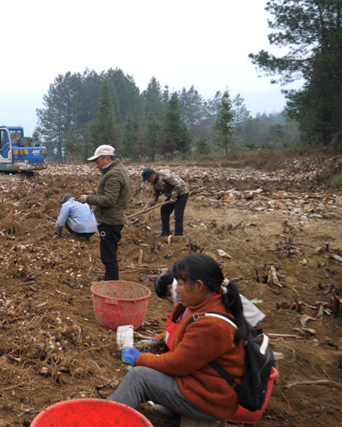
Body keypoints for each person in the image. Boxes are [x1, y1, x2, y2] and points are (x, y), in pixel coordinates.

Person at [109, 254, 247, 422]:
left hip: (210, 399)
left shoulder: (211, 324)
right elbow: (184, 345)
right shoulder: (205, 304)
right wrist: (158, 341)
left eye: (180, 284)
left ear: (199, 286)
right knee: (154, 365)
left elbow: (177, 365)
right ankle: (174, 411)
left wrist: (140, 358)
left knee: (139, 377)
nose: (176, 290)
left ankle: (104, 420)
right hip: (202, 385)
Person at [154, 270, 265, 348]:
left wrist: (159, 338)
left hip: (248, 334)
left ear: (170, 288)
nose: (170, 301)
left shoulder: (183, 292)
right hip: (251, 327)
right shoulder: (194, 285)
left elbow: (182, 328)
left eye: (166, 298)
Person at [80, 145, 130, 281]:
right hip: (110, 219)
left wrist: (87, 199)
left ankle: (111, 285)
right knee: (108, 256)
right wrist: (96, 193)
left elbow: (109, 200)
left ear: (107, 158)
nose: (97, 166)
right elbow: (111, 194)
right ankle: (108, 281)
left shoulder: (114, 174)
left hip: (110, 221)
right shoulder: (115, 171)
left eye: (98, 162)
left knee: (109, 258)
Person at [142, 168, 190, 237]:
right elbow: (155, 195)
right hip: (172, 195)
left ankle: (179, 235)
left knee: (178, 214)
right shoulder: (154, 182)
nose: (148, 181)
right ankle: (166, 232)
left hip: (182, 192)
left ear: (152, 176)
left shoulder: (164, 175)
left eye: (148, 179)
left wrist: (173, 197)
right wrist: (148, 207)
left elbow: (177, 184)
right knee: (164, 210)